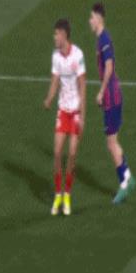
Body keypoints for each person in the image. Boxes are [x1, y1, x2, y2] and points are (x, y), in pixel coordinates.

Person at [89, 2, 135, 204]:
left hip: (111, 96)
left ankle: (125, 183)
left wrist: (101, 91)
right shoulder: (101, 39)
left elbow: (109, 66)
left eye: (91, 17)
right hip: (113, 95)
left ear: (99, 18)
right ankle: (128, 177)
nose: (90, 21)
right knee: (113, 141)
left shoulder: (104, 39)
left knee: (111, 143)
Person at [44, 19, 86, 216]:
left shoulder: (78, 55)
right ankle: (57, 195)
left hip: (75, 112)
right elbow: (54, 80)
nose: (54, 37)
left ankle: (67, 194)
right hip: (62, 110)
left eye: (56, 34)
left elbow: (83, 85)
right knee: (57, 152)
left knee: (72, 154)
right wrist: (49, 98)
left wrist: (83, 115)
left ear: (64, 35)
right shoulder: (56, 56)